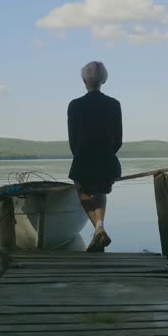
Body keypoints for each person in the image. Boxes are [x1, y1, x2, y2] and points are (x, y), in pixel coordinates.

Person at [68, 61, 122, 252]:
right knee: (101, 190)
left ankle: (98, 230)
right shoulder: (114, 104)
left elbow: (72, 138)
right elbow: (118, 139)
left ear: (84, 80)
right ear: (104, 80)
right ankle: (99, 229)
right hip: (107, 159)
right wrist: (107, 154)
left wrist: (81, 155)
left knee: (80, 188)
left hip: (83, 158)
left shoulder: (75, 105)